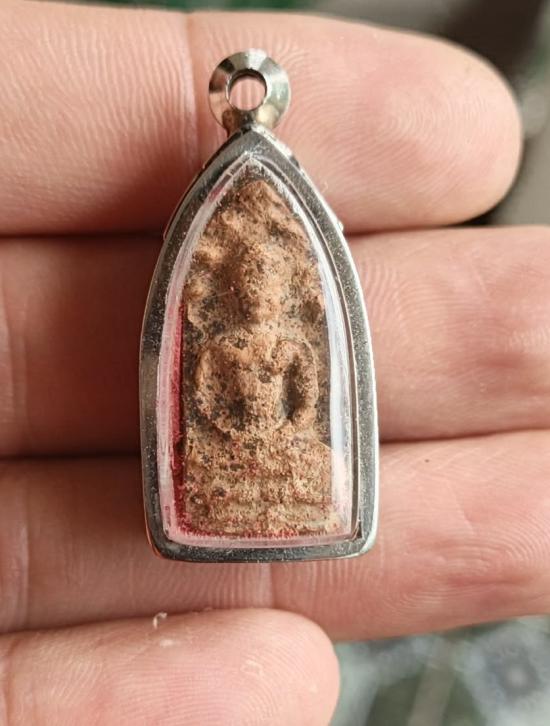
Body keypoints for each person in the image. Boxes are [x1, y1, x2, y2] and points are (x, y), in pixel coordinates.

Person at [0, 1, 547, 724]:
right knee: (213, 468)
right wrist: (232, 436)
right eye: (245, 286)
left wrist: (284, 440)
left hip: (285, 457)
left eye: (268, 286)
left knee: (311, 466)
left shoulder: (293, 345)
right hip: (230, 458)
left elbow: (308, 407)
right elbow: (205, 403)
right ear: (229, 288)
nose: (257, 296)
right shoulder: (220, 344)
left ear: (287, 290)